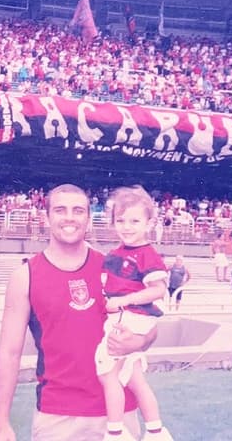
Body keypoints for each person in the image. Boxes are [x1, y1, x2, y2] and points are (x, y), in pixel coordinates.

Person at [0, 184, 157, 441]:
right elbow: (9, 352)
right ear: (46, 217)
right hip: (58, 417)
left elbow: (149, 328)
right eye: (60, 210)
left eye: (78, 210)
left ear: (88, 218)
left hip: (118, 414)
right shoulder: (25, 277)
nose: (69, 217)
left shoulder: (114, 267)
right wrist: (2, 423)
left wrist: (139, 341)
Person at [96, 186, 172, 441]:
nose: (127, 227)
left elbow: (158, 290)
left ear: (149, 223)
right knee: (135, 379)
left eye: (135, 221)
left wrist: (123, 301)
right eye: (121, 220)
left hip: (131, 316)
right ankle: (155, 431)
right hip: (127, 316)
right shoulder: (116, 254)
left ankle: (115, 433)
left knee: (109, 375)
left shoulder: (147, 254)